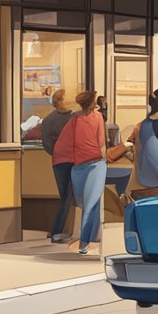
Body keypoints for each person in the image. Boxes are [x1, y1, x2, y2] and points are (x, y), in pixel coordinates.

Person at [55, 91, 111, 256]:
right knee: (88, 205)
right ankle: (91, 240)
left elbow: (64, 143)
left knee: (89, 204)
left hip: (88, 167)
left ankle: (84, 243)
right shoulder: (94, 118)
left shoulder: (76, 119)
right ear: (91, 104)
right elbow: (102, 144)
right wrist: (107, 158)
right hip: (89, 165)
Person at [39, 89, 75, 244]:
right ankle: (59, 230)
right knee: (69, 196)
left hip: (58, 161)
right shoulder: (75, 118)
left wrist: (57, 152)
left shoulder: (47, 120)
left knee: (65, 196)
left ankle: (61, 230)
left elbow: (47, 145)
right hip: (75, 160)